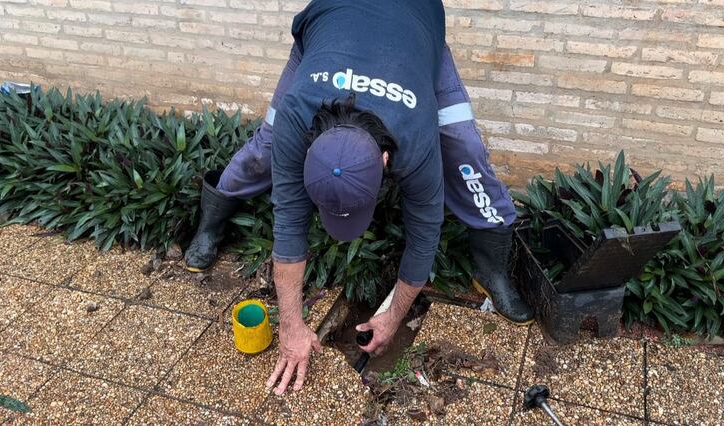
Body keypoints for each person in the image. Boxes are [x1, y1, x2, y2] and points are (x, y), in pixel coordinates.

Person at [184, 0, 533, 395]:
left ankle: (492, 267)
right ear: (309, 147)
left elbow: (425, 230)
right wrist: (290, 326)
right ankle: (211, 221)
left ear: (387, 159)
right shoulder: (297, 121)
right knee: (266, 145)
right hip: (333, 21)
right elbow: (289, 222)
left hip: (413, 33)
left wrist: (393, 316)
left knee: (464, 150)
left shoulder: (415, 138)